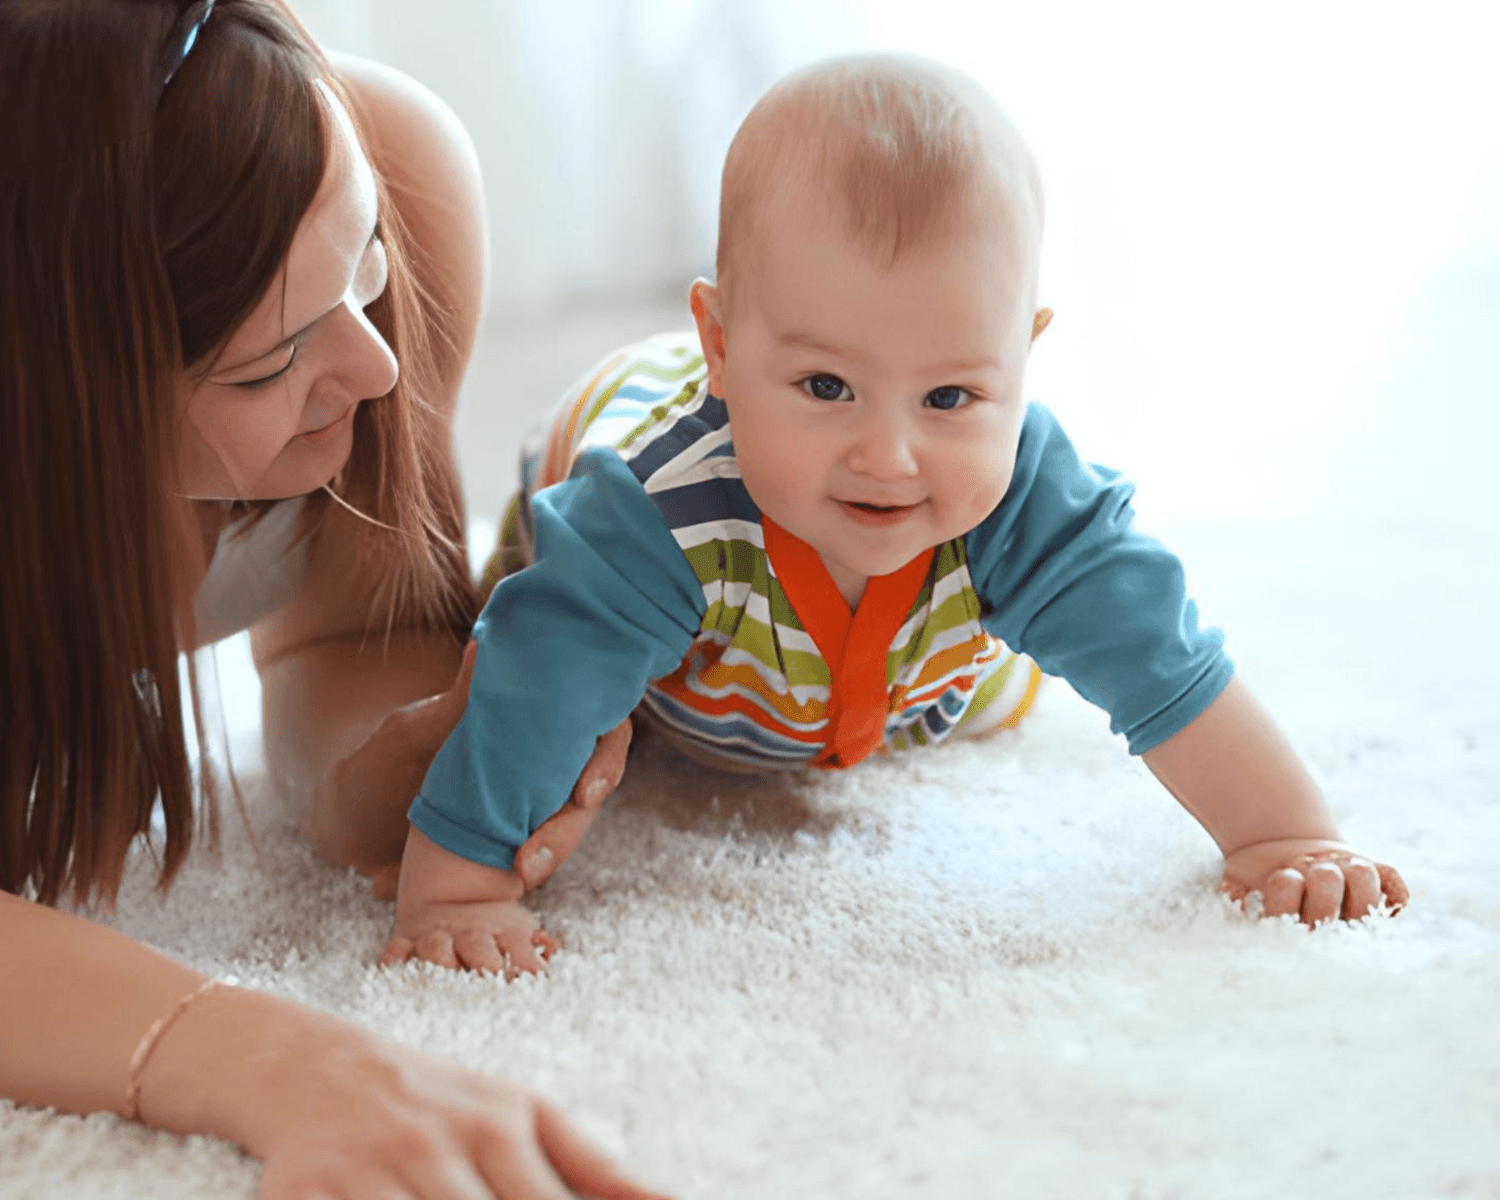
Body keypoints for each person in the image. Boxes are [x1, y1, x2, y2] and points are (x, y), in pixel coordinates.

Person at [379, 53, 1410, 974]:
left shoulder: (1027, 499)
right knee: (519, 636)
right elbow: (536, 682)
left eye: (951, 397)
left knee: (988, 682)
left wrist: (1285, 837)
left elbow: (1166, 661)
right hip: (627, 572)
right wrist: (461, 883)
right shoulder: (648, 515)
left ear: (1022, 357)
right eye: (827, 387)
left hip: (887, 675)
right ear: (723, 348)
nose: (892, 456)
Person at [0, 2, 657, 1197]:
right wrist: (272, 1059)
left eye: (364, 266)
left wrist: (386, 771)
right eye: (268, 364)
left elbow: (354, 624)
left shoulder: (388, 156)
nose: (376, 368)